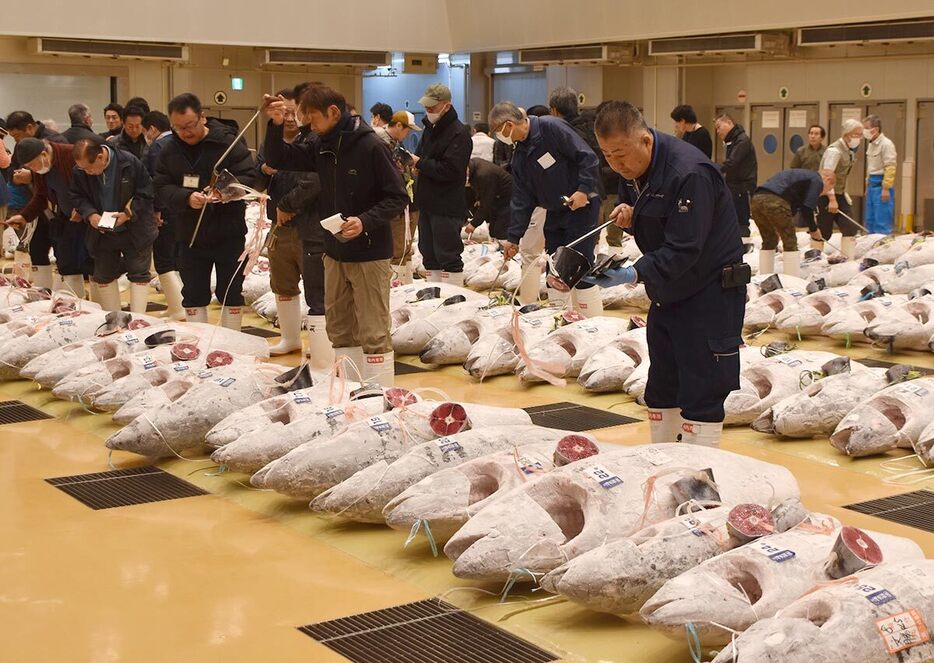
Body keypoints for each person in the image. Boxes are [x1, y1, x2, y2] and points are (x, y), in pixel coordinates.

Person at [587, 100, 746, 447]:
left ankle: (699, 484)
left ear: (645, 140)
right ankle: (666, 464)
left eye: (621, 154)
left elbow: (686, 246)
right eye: (607, 156)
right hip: (669, 291)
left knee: (702, 390)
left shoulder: (690, 172)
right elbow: (659, 216)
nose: (616, 165)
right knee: (662, 386)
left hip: (710, 294)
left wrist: (633, 274)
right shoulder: (637, 170)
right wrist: (631, 213)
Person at [262, 84, 408, 386]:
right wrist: (275, 125)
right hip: (334, 250)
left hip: (369, 252)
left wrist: (364, 221)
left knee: (373, 329)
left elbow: (398, 197)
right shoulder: (320, 143)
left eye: (312, 117)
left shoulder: (371, 146)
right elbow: (279, 160)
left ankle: (380, 395)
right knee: (340, 326)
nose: (308, 125)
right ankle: (351, 390)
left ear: (333, 112)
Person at [489, 100, 603, 316]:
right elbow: (522, 200)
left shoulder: (551, 127)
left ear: (509, 124)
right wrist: (513, 238)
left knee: (580, 265)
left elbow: (587, 157)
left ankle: (593, 325)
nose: (498, 136)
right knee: (555, 268)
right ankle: (561, 320)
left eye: (497, 130)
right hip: (556, 210)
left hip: (581, 207)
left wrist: (584, 189)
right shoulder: (520, 155)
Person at [153, 93, 256, 329]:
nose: (185, 133)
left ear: (202, 117)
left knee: (230, 291)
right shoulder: (169, 150)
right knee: (193, 293)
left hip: (228, 232)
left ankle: (233, 345)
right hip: (190, 234)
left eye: (189, 126)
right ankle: (195, 345)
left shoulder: (228, 143)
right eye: (178, 128)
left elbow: (249, 177)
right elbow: (160, 187)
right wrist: (186, 197)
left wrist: (225, 192)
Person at [256, 89, 323, 356]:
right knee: (282, 283)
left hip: (310, 224)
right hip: (279, 226)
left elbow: (314, 181)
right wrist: (263, 171)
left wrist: (288, 205)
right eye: (284, 113)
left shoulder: (314, 141)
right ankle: (290, 338)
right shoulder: (270, 144)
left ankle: (321, 345)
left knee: (317, 287)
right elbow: (256, 178)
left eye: (294, 112)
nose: (290, 118)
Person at [70, 139, 158, 312]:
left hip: (135, 229)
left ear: (101, 156)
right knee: (103, 276)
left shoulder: (129, 162)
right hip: (102, 232)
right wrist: (90, 214)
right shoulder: (80, 171)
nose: (87, 172)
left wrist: (128, 213)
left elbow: (147, 193)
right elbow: (76, 196)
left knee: (139, 274)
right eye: (83, 169)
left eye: (90, 168)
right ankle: (114, 320)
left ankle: (138, 321)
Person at [7, 138, 91, 294]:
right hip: (66, 217)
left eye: (32, 165)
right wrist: (24, 216)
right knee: (68, 262)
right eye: (29, 167)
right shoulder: (41, 170)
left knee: (92, 264)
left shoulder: (70, 155)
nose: (32, 170)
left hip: (89, 217)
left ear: (44, 154)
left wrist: (83, 210)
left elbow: (91, 187)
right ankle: (75, 303)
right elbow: (41, 196)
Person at [413, 83, 472, 285]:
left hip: (447, 205)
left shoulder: (459, 133)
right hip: (427, 202)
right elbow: (422, 157)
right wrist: (415, 164)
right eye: (426, 106)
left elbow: (451, 170)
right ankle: (434, 298)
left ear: (446, 106)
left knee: (448, 254)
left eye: (432, 107)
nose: (428, 111)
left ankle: (454, 299)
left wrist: (420, 163)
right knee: (428, 254)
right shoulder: (429, 129)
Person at [549, 87, 619, 247]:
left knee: (570, 247)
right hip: (596, 190)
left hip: (574, 195)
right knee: (588, 243)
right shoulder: (591, 128)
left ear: (553, 110)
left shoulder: (560, 132)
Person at [141, 110, 185, 320]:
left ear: (152, 129)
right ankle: (176, 305)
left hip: (166, 208)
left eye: (144, 131)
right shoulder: (180, 142)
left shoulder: (157, 147)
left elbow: (156, 182)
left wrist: (156, 209)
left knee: (164, 259)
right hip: (184, 205)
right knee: (176, 257)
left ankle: (178, 308)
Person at [750, 169, 829, 277]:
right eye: (827, 190)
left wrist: (779, 227)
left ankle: (764, 277)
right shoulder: (817, 180)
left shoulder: (801, 177)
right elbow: (807, 208)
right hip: (775, 200)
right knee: (790, 242)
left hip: (756, 199)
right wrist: (813, 229)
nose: (822, 194)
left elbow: (792, 209)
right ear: (827, 180)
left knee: (770, 240)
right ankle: (792, 282)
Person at [374, 110, 421, 284]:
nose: (408, 134)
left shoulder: (393, 144)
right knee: (398, 250)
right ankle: (398, 287)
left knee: (404, 249)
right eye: (407, 130)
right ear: (399, 125)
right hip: (393, 206)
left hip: (405, 204)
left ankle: (405, 286)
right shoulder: (382, 142)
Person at [815, 118, 864, 258]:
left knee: (849, 227)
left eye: (860, 135)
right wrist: (832, 199)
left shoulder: (848, 151)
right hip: (826, 195)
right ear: (847, 134)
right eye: (857, 134)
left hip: (840, 193)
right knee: (824, 231)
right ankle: (814, 257)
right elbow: (827, 177)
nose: (859, 138)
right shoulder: (834, 151)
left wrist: (842, 194)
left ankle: (848, 259)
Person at [714, 113, 757, 240]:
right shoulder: (732, 140)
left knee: (741, 220)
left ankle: (744, 247)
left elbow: (732, 162)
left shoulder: (742, 140)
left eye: (718, 127)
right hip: (734, 185)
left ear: (728, 122)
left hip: (742, 186)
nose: (717, 131)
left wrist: (715, 169)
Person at [862, 114, 898, 235]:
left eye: (866, 128)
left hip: (881, 185)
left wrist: (886, 188)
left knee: (881, 219)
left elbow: (890, 167)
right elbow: (870, 167)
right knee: (870, 219)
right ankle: (871, 246)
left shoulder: (886, 144)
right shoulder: (871, 144)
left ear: (876, 129)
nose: (864, 131)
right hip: (872, 184)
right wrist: (867, 186)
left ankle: (882, 247)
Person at [466, 158, 511, 241]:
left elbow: (486, 203)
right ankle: (496, 243)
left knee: (500, 228)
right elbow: (481, 187)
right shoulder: (474, 165)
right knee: (493, 229)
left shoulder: (483, 173)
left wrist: (473, 224)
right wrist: (479, 198)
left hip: (507, 195)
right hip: (496, 195)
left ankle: (505, 248)